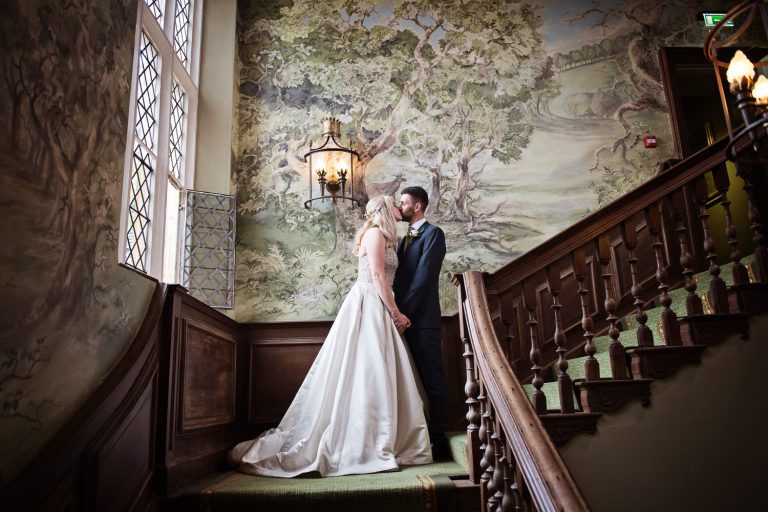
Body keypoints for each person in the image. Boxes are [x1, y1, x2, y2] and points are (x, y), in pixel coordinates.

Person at [227, 195, 432, 477]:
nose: (400, 206)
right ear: (386, 209)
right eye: (395, 203)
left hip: (379, 303)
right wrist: (396, 313)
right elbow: (377, 275)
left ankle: (390, 438)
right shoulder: (374, 234)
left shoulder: (386, 236)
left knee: (379, 368)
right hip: (369, 302)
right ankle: (362, 443)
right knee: (367, 369)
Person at [393, 186, 450, 460]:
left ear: (417, 206)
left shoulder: (433, 234)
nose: (399, 206)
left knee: (432, 379)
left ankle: (438, 440)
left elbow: (424, 279)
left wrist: (403, 315)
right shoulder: (403, 239)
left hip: (422, 320)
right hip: (402, 320)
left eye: (403, 202)